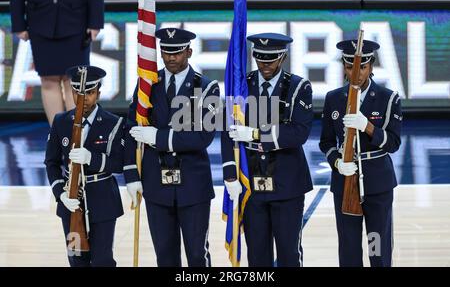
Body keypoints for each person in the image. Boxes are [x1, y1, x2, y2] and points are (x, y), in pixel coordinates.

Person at [124, 28, 220, 267]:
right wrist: (131, 174)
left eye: (176, 53)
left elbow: (202, 137)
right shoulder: (148, 86)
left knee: (197, 254)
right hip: (156, 182)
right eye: (166, 53)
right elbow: (131, 128)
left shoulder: (207, 88)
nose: (170, 58)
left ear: (189, 51)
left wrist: (158, 136)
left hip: (193, 184)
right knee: (165, 256)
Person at [221, 33, 314, 267]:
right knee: (257, 256)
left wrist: (254, 134)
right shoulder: (243, 86)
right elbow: (226, 131)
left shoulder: (298, 87)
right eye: (260, 59)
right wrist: (230, 173)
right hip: (251, 185)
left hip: (288, 185)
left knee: (289, 255)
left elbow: (298, 133)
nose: (265, 66)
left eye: (271, 60)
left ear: (283, 57)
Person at [319, 40, 402, 267]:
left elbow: (393, 143)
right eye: (349, 67)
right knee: (349, 249)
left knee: (378, 247)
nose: (355, 73)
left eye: (362, 67)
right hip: (345, 182)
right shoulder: (333, 98)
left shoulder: (388, 98)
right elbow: (325, 142)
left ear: (371, 65)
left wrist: (368, 127)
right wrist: (337, 163)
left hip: (377, 184)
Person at [44, 65, 124, 267]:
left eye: (89, 92)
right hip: (70, 202)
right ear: (71, 91)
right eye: (79, 92)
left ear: (98, 92)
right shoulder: (61, 122)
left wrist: (92, 158)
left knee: (102, 261)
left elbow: (119, 163)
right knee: (76, 260)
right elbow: (51, 162)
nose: (84, 98)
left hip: (103, 199)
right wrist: (61, 195)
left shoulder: (113, 123)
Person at [10, 0, 104, 125]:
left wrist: (95, 22)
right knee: (48, 80)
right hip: (40, 24)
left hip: (75, 24)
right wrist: (18, 24)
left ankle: (75, 136)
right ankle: (58, 135)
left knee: (74, 82)